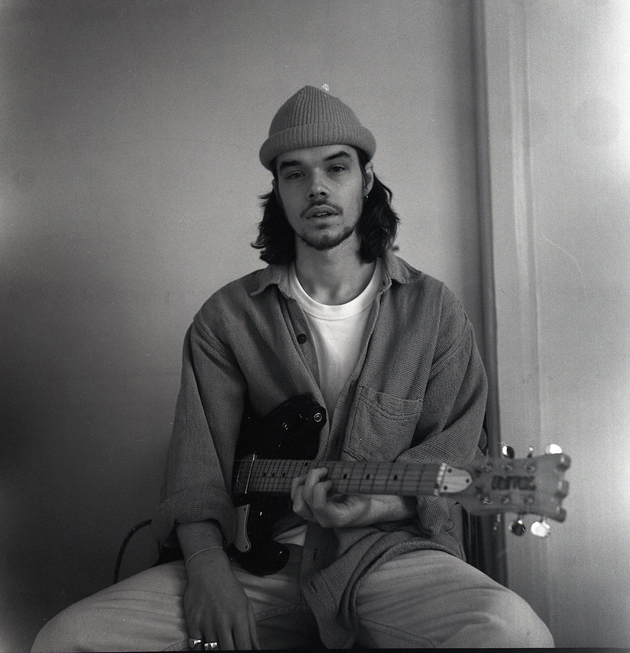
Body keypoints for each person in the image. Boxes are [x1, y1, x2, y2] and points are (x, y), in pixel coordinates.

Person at [32, 85, 554, 651]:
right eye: (295, 173)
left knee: (513, 632)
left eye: (336, 167)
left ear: (366, 178)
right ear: (277, 190)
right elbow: (196, 474)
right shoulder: (226, 319)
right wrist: (208, 572)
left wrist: (372, 504)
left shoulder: (434, 313)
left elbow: (454, 460)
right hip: (251, 564)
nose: (317, 187)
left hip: (386, 556)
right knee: (68, 638)